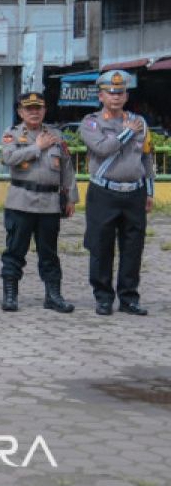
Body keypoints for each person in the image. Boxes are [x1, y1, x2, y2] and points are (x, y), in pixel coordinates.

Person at [81, 69, 155, 316]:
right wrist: (127, 132)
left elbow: (146, 157)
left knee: (133, 246)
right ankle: (103, 297)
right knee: (101, 247)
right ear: (100, 96)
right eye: (110, 93)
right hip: (104, 192)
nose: (115, 97)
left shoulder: (139, 122)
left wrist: (149, 191)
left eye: (120, 92)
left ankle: (129, 298)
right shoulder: (92, 122)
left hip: (134, 192)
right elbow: (102, 149)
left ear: (126, 95)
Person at [0, 91, 77, 313]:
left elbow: (67, 168)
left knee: (49, 253)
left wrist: (70, 197)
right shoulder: (12, 134)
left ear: (44, 110)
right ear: (20, 112)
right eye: (29, 108)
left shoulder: (55, 135)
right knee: (15, 251)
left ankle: (53, 295)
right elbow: (9, 158)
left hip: (49, 203)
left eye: (38, 108)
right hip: (21, 202)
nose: (34, 112)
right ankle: (10, 295)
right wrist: (37, 148)